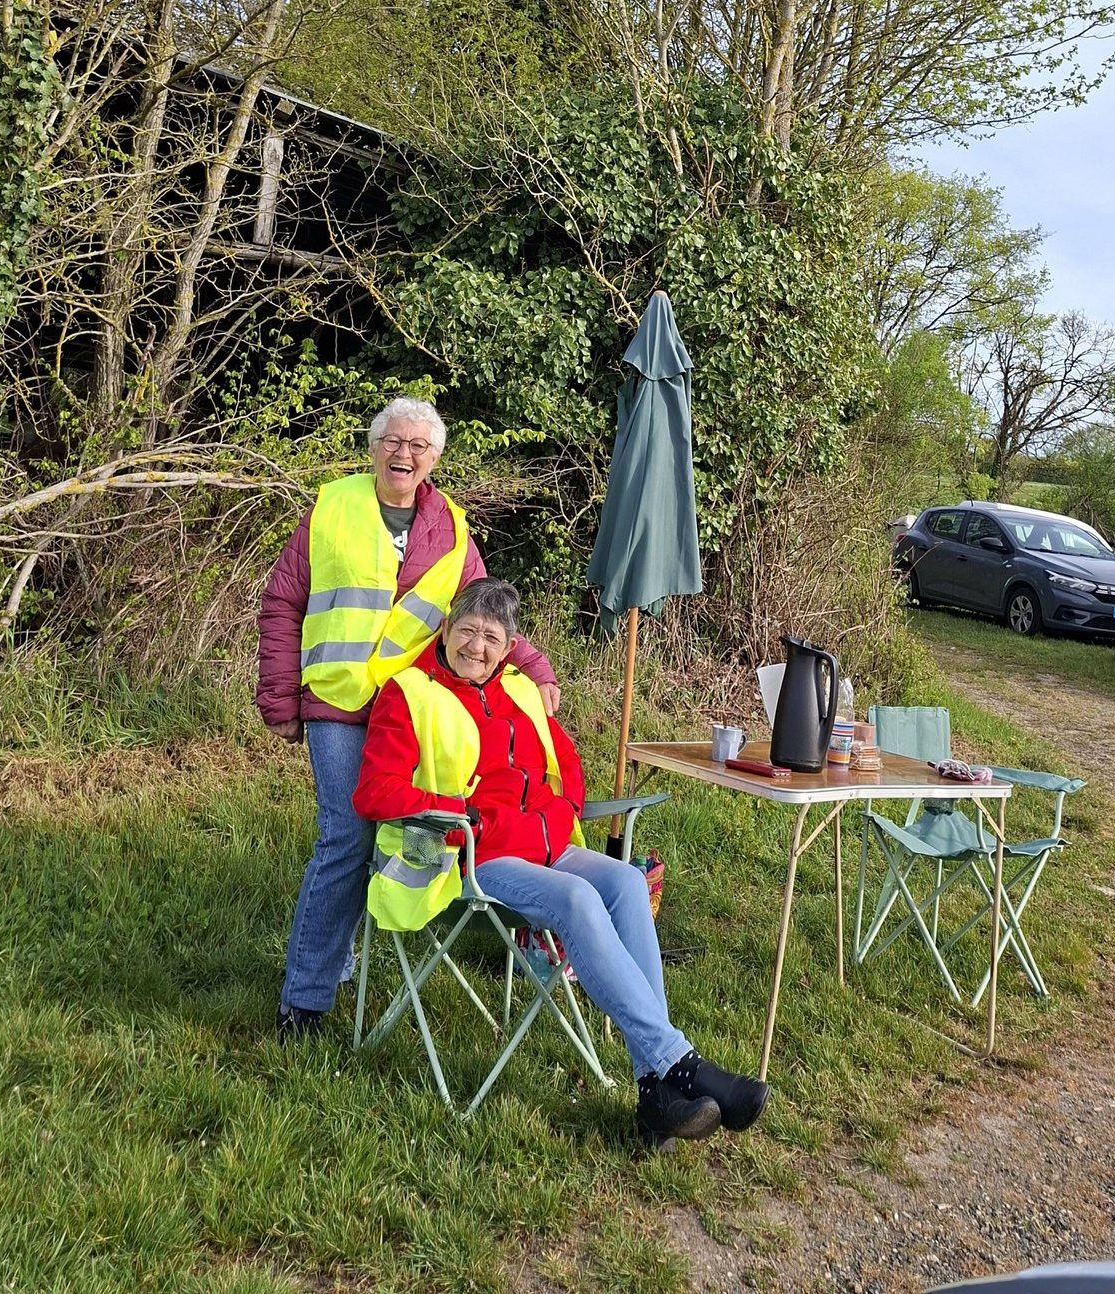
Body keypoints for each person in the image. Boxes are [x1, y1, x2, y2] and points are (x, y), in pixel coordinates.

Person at [352, 577, 770, 1149]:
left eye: (491, 637)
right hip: (472, 857)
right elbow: (376, 792)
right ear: (445, 630)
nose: (477, 647)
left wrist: (566, 805)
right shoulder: (409, 693)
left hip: (547, 844)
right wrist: (464, 815)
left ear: (509, 645)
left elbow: (565, 761)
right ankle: (682, 1066)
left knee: (624, 881)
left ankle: (658, 1091)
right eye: (467, 631)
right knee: (577, 899)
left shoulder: (520, 691)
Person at [257, 398, 561, 1041]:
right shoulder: (331, 508)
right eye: (393, 441)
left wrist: (534, 668)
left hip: (411, 708)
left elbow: (483, 611)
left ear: (435, 457)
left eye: (419, 446)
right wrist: (280, 696)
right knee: (347, 839)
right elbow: (283, 603)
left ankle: (360, 958)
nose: (404, 454)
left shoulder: (450, 527)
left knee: (407, 835)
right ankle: (304, 1000)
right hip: (339, 703)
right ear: (374, 447)